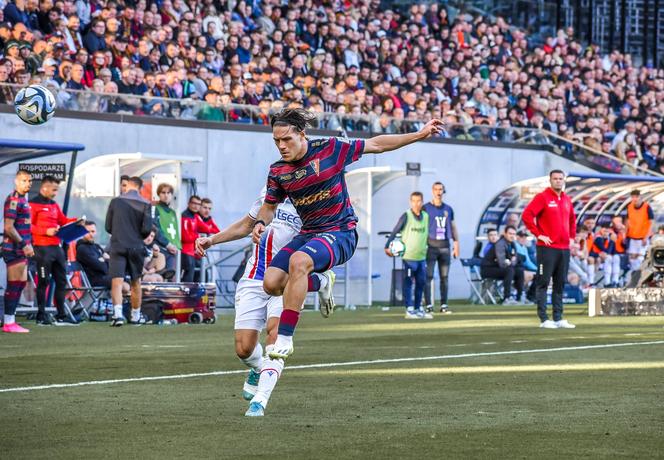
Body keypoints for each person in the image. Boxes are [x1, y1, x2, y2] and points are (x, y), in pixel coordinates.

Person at [251, 108, 444, 363]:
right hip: (309, 234)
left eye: (286, 139)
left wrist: (418, 134)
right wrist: (260, 223)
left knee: (299, 262)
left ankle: (285, 337)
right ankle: (321, 283)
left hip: (340, 232)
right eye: (276, 140)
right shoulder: (278, 171)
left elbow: (376, 144)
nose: (281, 146)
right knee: (272, 283)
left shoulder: (330, 148)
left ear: (302, 134)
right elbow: (269, 207)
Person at [195, 189, 331, 417]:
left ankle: (261, 399)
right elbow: (246, 224)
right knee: (243, 348)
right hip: (254, 277)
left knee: (275, 335)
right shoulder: (268, 194)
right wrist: (212, 239)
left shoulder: (311, 197)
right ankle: (259, 369)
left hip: (287, 279)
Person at [522, 170, 576, 329]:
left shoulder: (567, 199)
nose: (558, 181)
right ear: (550, 180)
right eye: (555, 179)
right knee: (543, 282)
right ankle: (544, 318)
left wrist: (571, 237)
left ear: (564, 180)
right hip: (546, 249)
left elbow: (572, 219)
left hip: (564, 249)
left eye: (561, 179)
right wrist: (539, 234)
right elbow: (527, 215)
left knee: (560, 283)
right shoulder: (542, 197)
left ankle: (558, 318)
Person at [30, 175, 80, 325]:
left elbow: (63, 221)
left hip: (56, 248)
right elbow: (28, 226)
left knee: (62, 281)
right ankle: (41, 315)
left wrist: (76, 221)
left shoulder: (54, 205)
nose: (55, 193)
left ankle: (61, 315)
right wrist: (46, 231)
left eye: (57, 190)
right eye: (54, 190)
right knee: (43, 281)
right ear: (44, 187)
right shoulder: (32, 205)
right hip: (41, 248)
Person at [105, 176, 152, 326]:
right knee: (136, 282)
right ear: (140, 187)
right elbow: (146, 230)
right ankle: (135, 316)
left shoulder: (116, 201)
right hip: (136, 247)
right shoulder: (145, 203)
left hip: (118, 245)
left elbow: (108, 227)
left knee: (117, 281)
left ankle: (117, 315)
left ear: (127, 187)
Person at [384, 191, 432, 319]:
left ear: (422, 202)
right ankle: (409, 309)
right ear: (410, 202)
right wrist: (387, 246)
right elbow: (395, 231)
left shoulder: (426, 217)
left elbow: (427, 235)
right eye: (414, 201)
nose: (416, 204)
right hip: (409, 257)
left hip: (421, 257)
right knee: (408, 283)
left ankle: (418, 308)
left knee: (421, 283)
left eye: (419, 201)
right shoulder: (406, 216)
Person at [2, 170, 34, 333]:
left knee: (20, 284)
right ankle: (8, 322)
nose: (27, 183)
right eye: (24, 180)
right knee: (14, 285)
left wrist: (30, 243)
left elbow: (24, 225)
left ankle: (10, 320)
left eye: (29, 181)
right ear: (16, 181)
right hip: (14, 249)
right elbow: (8, 227)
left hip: (22, 249)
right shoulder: (14, 199)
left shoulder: (23, 199)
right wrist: (23, 244)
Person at [422, 181, 458, 314]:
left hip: (445, 246)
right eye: (436, 189)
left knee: (444, 277)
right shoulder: (426, 208)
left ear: (443, 191)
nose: (438, 192)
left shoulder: (448, 209)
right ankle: (428, 305)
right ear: (432, 191)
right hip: (431, 246)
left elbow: (453, 227)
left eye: (441, 189)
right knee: (429, 276)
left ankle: (444, 305)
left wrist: (456, 243)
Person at [76, 221, 129, 292]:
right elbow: (102, 268)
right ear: (82, 233)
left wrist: (103, 260)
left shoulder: (96, 246)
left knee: (130, 279)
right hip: (94, 280)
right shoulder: (82, 249)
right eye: (88, 232)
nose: (91, 234)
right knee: (125, 286)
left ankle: (120, 302)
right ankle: (118, 302)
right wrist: (105, 260)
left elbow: (112, 262)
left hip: (105, 276)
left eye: (93, 231)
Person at [480, 225, 524, 304]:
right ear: (505, 234)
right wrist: (511, 261)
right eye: (510, 233)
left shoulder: (512, 244)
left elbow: (515, 259)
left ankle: (520, 297)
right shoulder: (500, 243)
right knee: (509, 270)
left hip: (499, 268)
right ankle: (507, 298)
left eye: (514, 234)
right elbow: (502, 263)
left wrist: (511, 261)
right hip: (488, 269)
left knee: (520, 271)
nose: (512, 236)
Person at [180, 195, 215, 282]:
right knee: (188, 277)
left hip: (192, 251)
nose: (196, 206)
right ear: (188, 204)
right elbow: (185, 237)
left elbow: (208, 229)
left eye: (198, 204)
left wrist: (209, 222)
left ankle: (198, 295)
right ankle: (187, 295)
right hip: (185, 251)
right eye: (194, 203)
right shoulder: (184, 216)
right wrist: (198, 237)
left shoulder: (195, 217)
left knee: (201, 274)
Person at [152, 182, 179, 272]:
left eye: (168, 193)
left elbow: (175, 232)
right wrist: (167, 244)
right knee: (160, 275)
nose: (166, 195)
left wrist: (176, 246)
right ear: (158, 194)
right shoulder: (154, 208)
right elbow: (155, 229)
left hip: (171, 250)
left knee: (171, 275)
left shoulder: (172, 212)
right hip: (160, 248)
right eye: (163, 193)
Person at [625, 189, 653, 271]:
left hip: (643, 238)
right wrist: (625, 232)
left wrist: (646, 237)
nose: (635, 199)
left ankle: (641, 275)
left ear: (640, 197)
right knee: (632, 258)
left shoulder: (646, 207)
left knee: (641, 257)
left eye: (636, 197)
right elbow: (627, 220)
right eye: (633, 197)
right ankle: (634, 276)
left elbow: (651, 222)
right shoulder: (629, 206)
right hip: (633, 237)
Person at [590, 223, 621, 287]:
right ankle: (607, 282)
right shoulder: (598, 238)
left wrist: (612, 240)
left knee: (616, 257)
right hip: (596, 257)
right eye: (604, 231)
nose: (606, 233)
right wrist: (612, 241)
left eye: (607, 231)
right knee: (608, 257)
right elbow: (606, 251)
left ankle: (615, 281)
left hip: (603, 258)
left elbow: (614, 252)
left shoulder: (608, 237)